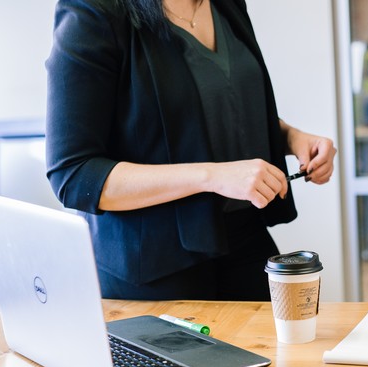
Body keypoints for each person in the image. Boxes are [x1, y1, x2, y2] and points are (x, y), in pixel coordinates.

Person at [45, 0, 336, 301]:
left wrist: (290, 137)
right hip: (157, 267)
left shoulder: (226, 5)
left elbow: (210, 106)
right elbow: (74, 174)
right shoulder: (93, 12)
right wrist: (211, 175)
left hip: (245, 241)